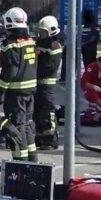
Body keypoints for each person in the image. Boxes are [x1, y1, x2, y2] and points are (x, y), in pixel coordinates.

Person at [0, 7, 39, 162]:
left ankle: (20, 161)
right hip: (30, 91)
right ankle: (32, 157)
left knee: (16, 126)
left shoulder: (11, 45)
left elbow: (10, 71)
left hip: (16, 93)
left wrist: (0, 91)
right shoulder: (30, 42)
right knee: (27, 124)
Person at [34, 15, 65, 150]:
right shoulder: (44, 45)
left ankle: (50, 139)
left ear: (51, 32)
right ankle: (40, 137)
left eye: (43, 32)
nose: (40, 35)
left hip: (46, 85)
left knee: (47, 112)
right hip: (39, 85)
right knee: (38, 112)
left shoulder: (53, 46)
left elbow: (47, 67)